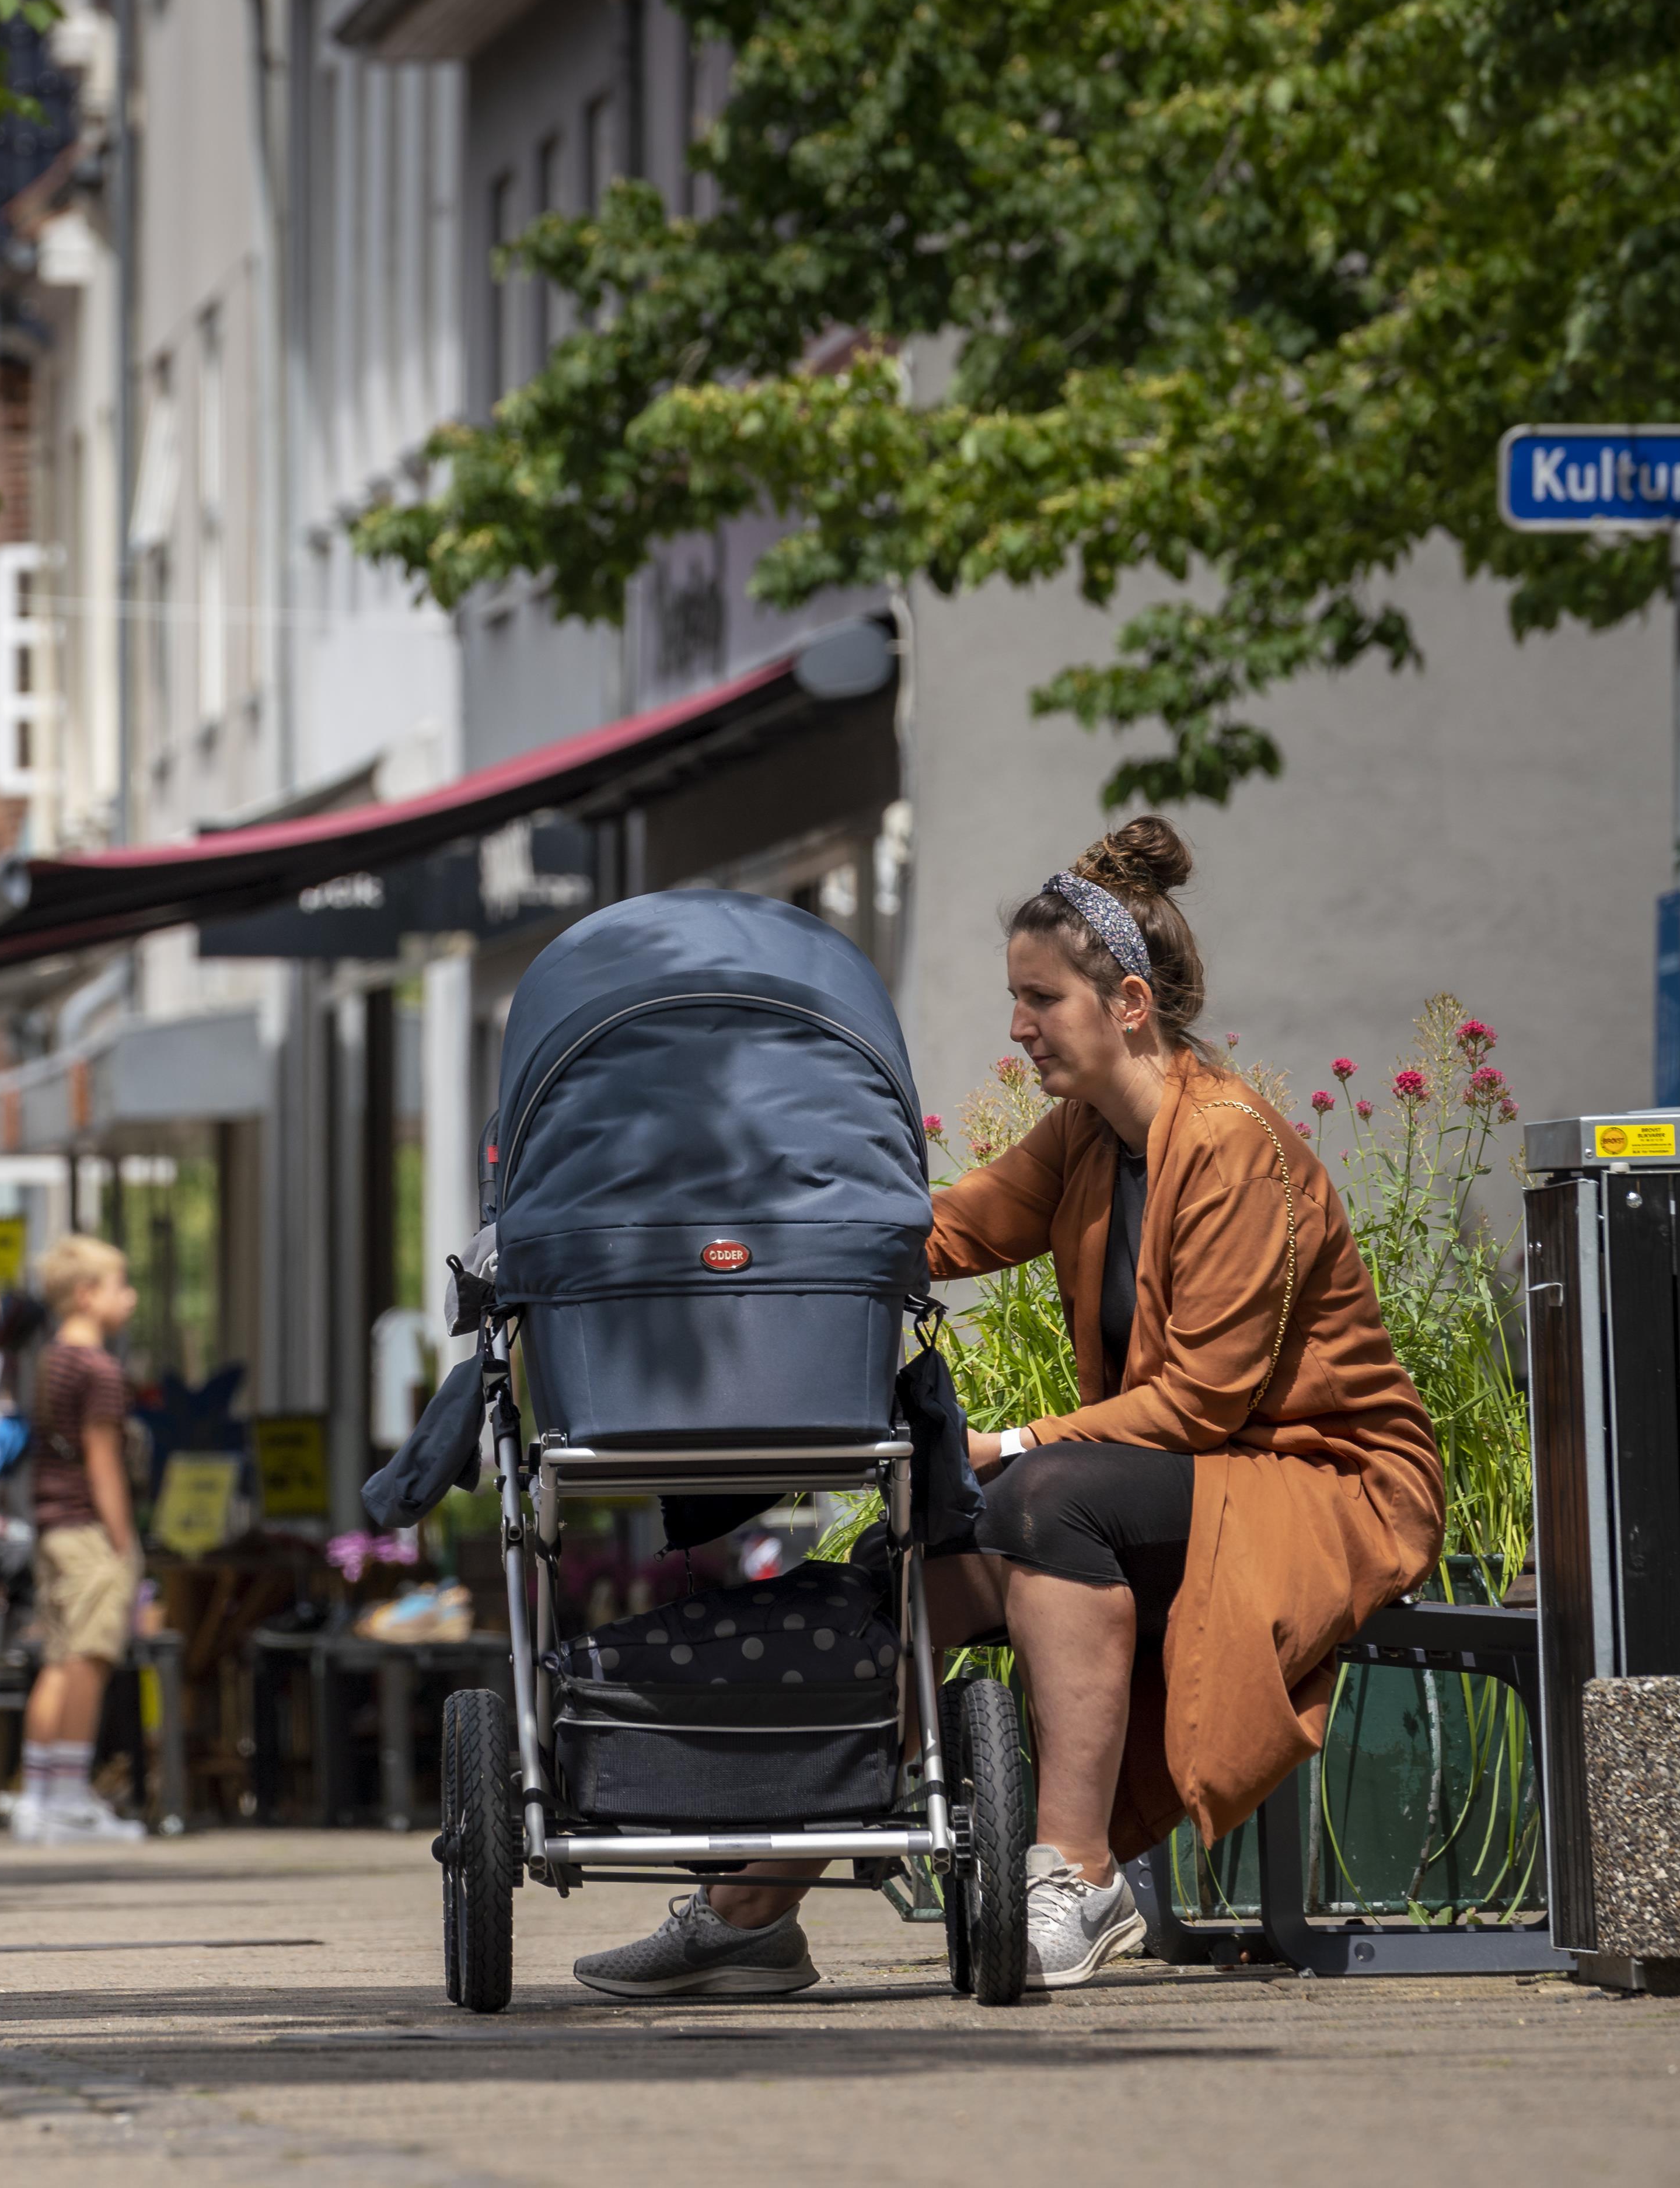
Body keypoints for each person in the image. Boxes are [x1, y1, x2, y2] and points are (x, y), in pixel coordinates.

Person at [574, 819, 1445, 2000]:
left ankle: (1078, 1878)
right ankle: (750, 1912)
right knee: (917, 1558)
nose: (1017, 1025)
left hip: (1316, 1485)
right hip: (1177, 1480)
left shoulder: (1238, 1154)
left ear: (1127, 1003)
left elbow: (1204, 1399)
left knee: (1040, 1497)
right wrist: (740, 1224)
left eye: (1038, 1000)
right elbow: (942, 1229)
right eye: (1014, 997)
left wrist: (1010, 1443)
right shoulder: (1089, 1137)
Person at [12, 1235, 145, 1844]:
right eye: (121, 1286)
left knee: (58, 1661)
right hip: (88, 1530)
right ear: (87, 1296)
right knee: (89, 1661)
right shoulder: (98, 1369)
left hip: (49, 1524)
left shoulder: (50, 1359)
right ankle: (67, 1799)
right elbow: (103, 1462)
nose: (132, 1298)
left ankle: (37, 1796)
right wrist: (124, 1542)